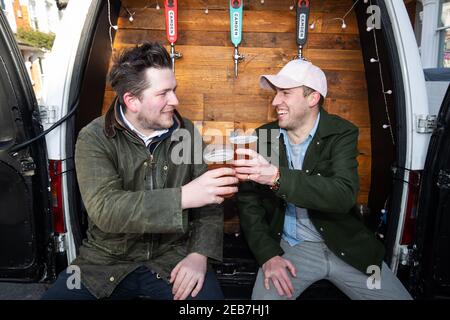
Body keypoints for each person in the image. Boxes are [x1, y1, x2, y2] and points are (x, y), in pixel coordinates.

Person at [42, 42, 238, 300]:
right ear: (132, 101)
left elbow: (210, 205)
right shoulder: (94, 138)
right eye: (164, 93)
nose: (175, 101)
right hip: (103, 260)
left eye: (174, 90)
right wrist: (183, 196)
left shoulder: (186, 132)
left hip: (173, 256)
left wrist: (198, 255)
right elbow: (106, 209)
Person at [234, 59, 412, 300]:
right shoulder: (266, 136)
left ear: (313, 98)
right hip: (292, 248)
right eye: (276, 93)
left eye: (285, 93)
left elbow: (342, 195)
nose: (276, 101)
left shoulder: (341, 133)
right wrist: (267, 255)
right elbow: (249, 202)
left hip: (345, 245)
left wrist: (276, 177)